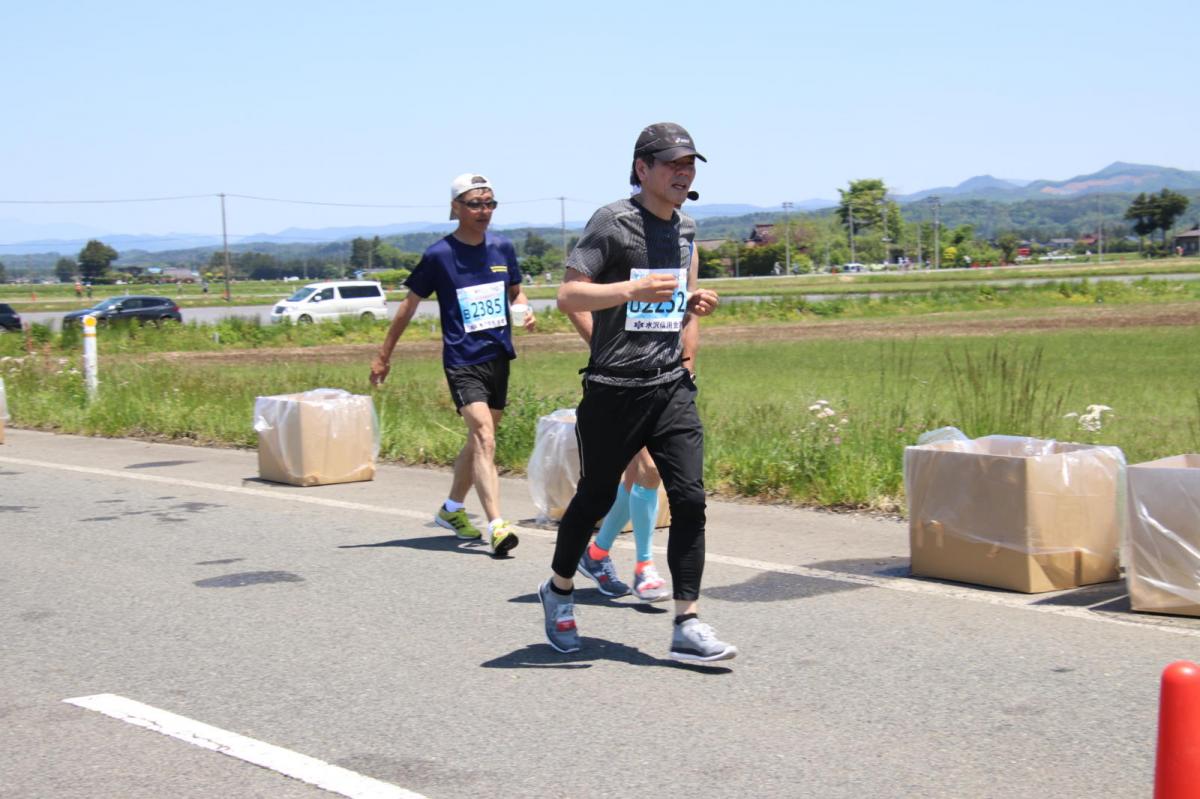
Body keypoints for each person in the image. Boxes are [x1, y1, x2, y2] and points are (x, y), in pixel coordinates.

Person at [537, 122, 736, 662]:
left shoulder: (688, 230)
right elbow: (567, 294)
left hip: (670, 385)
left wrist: (692, 306)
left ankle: (687, 622)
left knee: (690, 498)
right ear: (642, 168)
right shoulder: (612, 222)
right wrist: (631, 289)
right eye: (672, 163)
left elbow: (676, 297)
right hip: (613, 390)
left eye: (690, 163)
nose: (683, 172)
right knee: (596, 497)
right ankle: (557, 590)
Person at [369, 173, 535, 557]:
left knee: (480, 441)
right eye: (475, 203)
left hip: (498, 356)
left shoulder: (502, 247)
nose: (484, 211)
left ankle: (451, 509)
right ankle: (496, 524)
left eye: (490, 203)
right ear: (456, 207)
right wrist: (383, 355)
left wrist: (523, 310)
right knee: (484, 436)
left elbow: (516, 289)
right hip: (462, 359)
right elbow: (408, 307)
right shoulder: (439, 255)